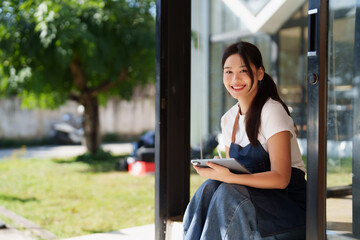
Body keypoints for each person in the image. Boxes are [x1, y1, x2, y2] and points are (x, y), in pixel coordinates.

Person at [183, 41, 306, 240]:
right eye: (228, 72)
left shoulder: (272, 111)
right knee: (209, 188)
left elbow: (281, 178)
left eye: (243, 71)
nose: (235, 79)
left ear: (259, 73)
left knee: (226, 192)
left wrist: (229, 177)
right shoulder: (228, 119)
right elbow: (236, 173)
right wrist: (220, 170)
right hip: (251, 202)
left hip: (288, 208)